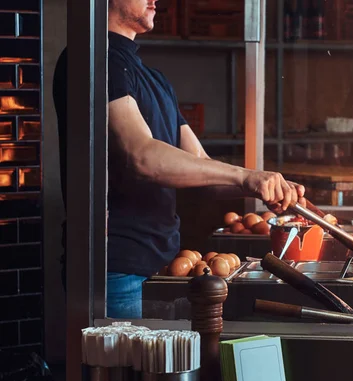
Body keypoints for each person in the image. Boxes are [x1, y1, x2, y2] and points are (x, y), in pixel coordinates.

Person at [52, 0, 305, 318]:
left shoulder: (155, 80)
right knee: (122, 369)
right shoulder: (92, 59)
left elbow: (201, 167)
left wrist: (262, 184)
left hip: (161, 267)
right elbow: (140, 156)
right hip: (114, 270)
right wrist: (246, 177)